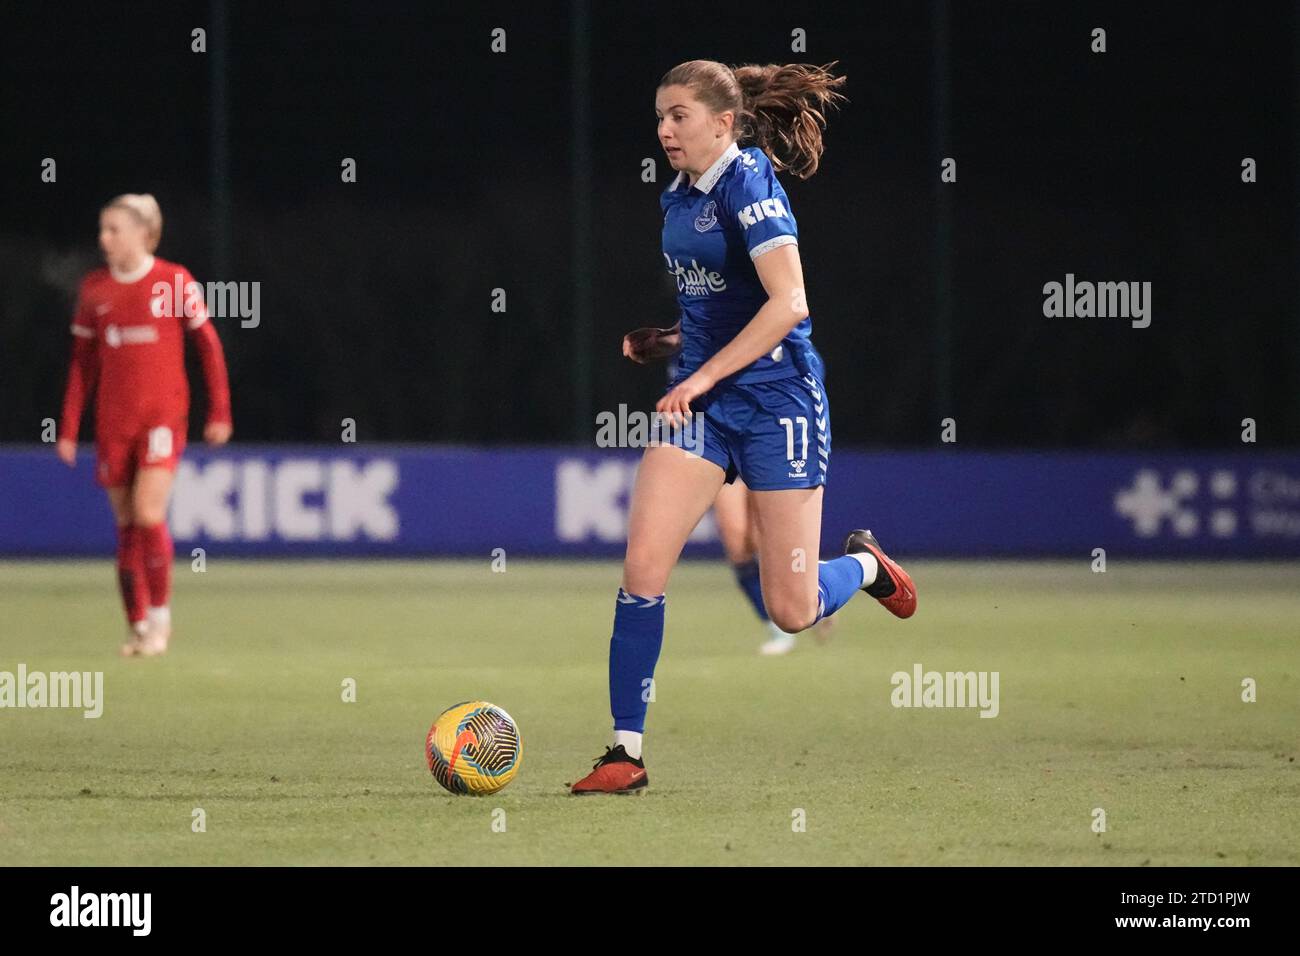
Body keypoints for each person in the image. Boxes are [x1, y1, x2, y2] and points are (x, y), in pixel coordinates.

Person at [571, 61, 916, 795]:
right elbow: (718, 306)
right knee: (642, 569)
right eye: (660, 116)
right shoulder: (677, 197)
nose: (665, 129)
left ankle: (865, 568)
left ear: (723, 124)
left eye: (680, 116)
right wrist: (670, 343)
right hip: (703, 410)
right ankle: (623, 754)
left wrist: (699, 375)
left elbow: (788, 303)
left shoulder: (752, 186)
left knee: (792, 610)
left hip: (778, 404)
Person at [57, 194, 233, 657]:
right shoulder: (95, 289)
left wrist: (220, 413)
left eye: (114, 229)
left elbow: (209, 347)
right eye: (103, 229)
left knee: (149, 513)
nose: (104, 238)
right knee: (127, 524)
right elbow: (82, 366)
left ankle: (160, 622)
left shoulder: (174, 281)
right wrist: (69, 428)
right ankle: (136, 625)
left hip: (163, 419)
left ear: (144, 234)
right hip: (114, 424)